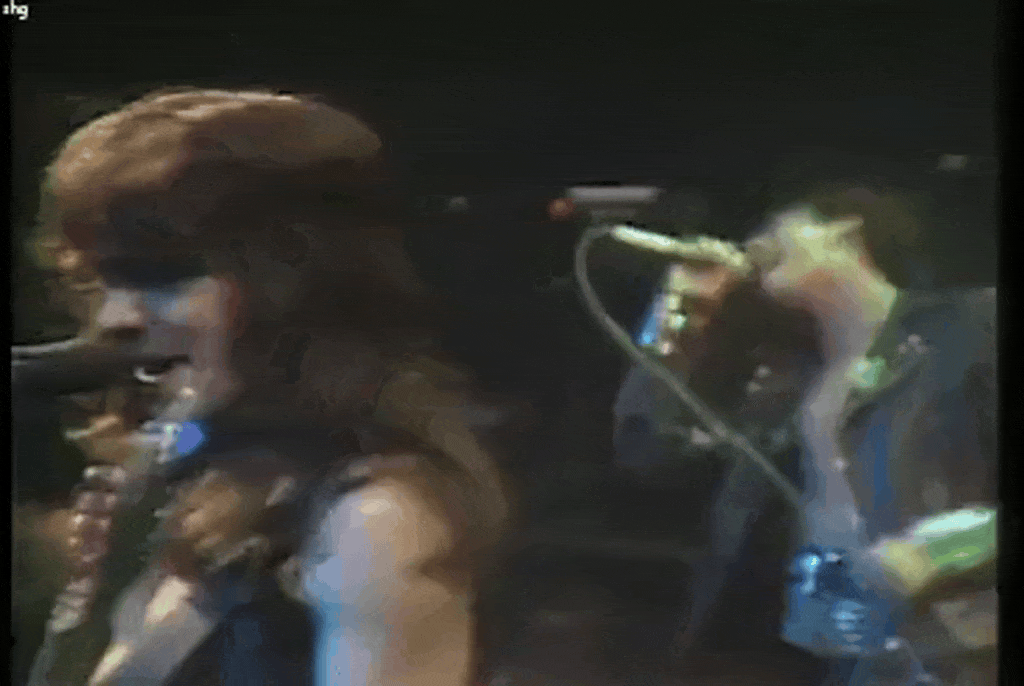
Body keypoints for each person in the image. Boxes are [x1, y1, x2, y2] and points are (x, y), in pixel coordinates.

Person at [24, 87, 514, 686]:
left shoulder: (374, 522)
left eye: (160, 274)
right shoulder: (197, 482)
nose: (114, 318)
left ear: (290, 285)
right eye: (106, 280)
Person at [615, 170, 996, 684]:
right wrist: (681, 318)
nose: (756, 244)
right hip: (812, 660)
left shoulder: (972, 327)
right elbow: (650, 456)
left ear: (842, 230)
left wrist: (937, 551)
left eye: (775, 226)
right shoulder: (784, 380)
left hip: (954, 657)